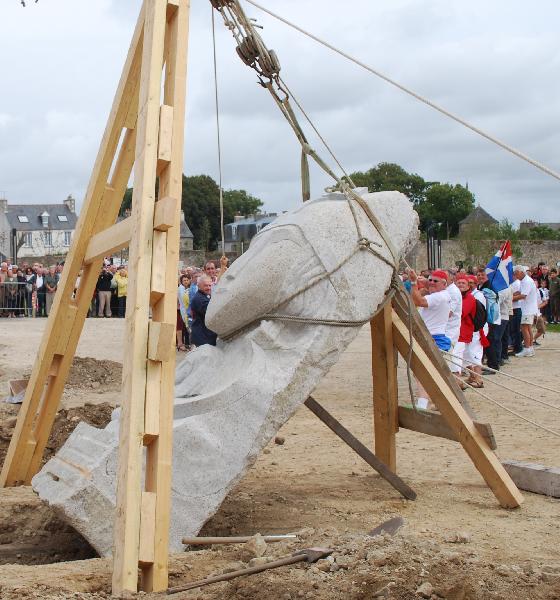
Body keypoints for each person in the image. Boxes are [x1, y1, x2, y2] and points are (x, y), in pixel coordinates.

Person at [408, 269, 451, 409]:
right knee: (423, 372)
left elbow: (418, 301)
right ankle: (435, 402)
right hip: (432, 337)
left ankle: (423, 404)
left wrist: (414, 282)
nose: (431, 283)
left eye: (435, 281)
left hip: (433, 339)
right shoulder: (441, 295)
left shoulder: (439, 296)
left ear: (444, 284)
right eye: (430, 280)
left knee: (422, 372)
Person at [449, 274, 482, 388]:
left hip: (463, 331)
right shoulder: (457, 296)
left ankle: (457, 380)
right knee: (466, 356)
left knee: (457, 354)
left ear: (468, 286)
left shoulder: (469, 298)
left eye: (464, 283)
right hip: (459, 330)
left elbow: (461, 313)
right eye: (459, 283)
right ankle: (475, 377)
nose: (461, 285)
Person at [512, 265, 538, 357]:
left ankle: (527, 348)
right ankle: (530, 348)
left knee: (524, 328)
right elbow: (519, 292)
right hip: (528, 308)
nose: (515, 276)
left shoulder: (527, 281)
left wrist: (510, 298)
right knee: (528, 328)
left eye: (516, 274)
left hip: (528, 309)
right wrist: (510, 294)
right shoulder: (523, 280)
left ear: (520, 272)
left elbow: (523, 295)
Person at [190, 275, 217, 347]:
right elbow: (212, 313)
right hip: (203, 337)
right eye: (205, 286)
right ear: (199, 286)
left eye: (209, 285)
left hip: (204, 335)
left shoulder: (204, 295)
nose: (208, 288)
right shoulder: (200, 299)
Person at [534, 279, 548, 345]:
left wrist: (538, 306)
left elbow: (545, 302)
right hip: (528, 312)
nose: (534, 285)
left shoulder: (540, 291)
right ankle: (525, 341)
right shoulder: (528, 291)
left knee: (542, 329)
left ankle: (533, 340)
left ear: (537, 284)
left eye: (535, 283)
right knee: (525, 328)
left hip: (537, 313)